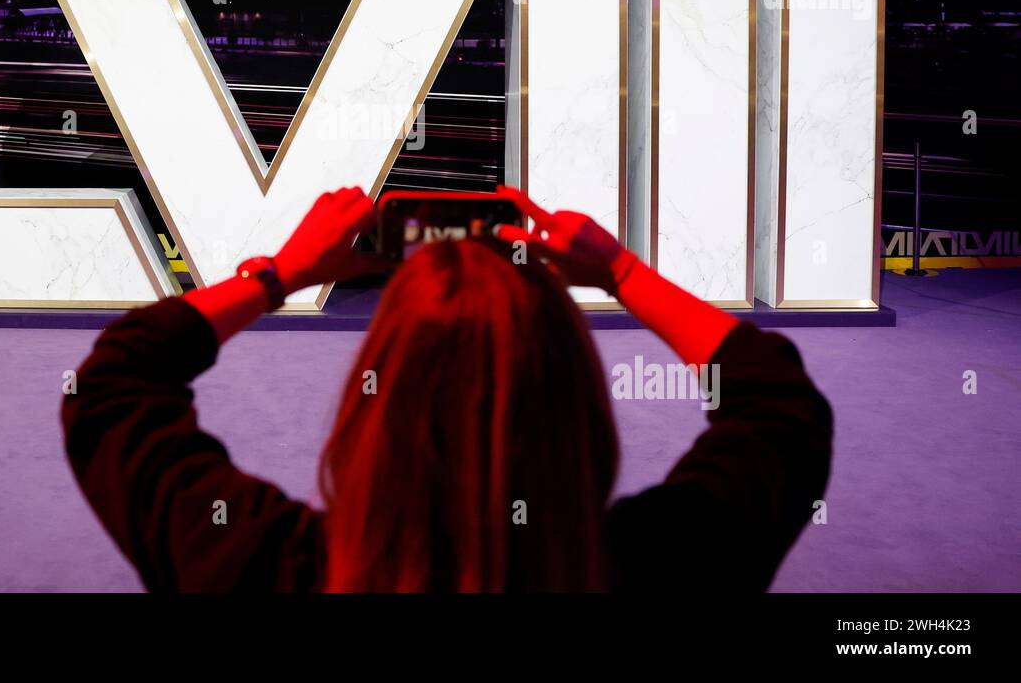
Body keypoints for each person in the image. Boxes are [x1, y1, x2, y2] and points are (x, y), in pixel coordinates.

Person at [61, 186, 832, 591]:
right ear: (578, 403)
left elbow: (115, 383)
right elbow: (778, 404)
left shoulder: (264, 562)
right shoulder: (668, 562)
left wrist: (279, 274)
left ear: (375, 404)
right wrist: (623, 274)